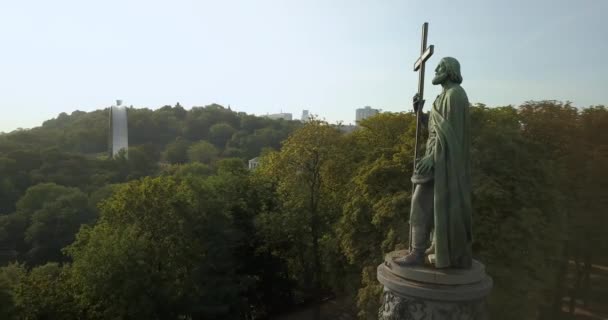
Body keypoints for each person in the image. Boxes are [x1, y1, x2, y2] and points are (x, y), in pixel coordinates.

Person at [393, 57, 473, 268]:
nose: (435, 70)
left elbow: (450, 134)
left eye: (440, 67)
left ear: (449, 71)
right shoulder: (443, 96)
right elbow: (436, 128)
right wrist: (420, 113)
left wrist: (431, 157)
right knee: (435, 205)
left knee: (419, 203)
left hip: (440, 159)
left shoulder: (455, 95)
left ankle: (417, 252)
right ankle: (436, 245)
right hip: (436, 157)